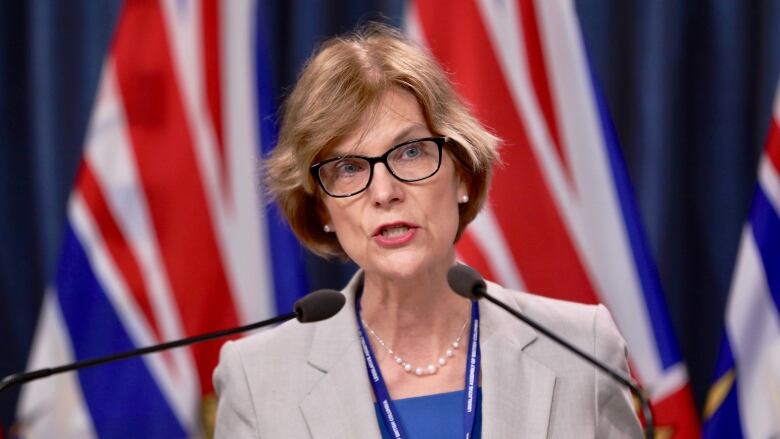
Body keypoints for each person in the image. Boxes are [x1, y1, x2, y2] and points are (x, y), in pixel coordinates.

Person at [212, 24, 642, 438]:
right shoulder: (257, 378)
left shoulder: (581, 349)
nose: (384, 192)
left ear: (462, 176)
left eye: (411, 152)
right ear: (321, 207)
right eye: (348, 168)